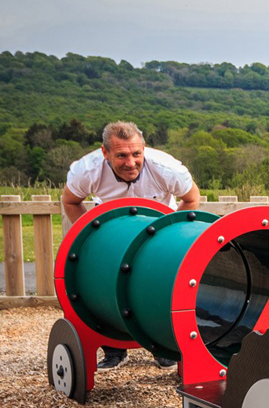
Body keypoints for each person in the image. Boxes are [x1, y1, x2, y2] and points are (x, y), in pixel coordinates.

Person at [62, 120, 201, 369]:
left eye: (136, 153)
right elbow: (70, 200)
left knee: (159, 287)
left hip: (156, 235)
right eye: (122, 155)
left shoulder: (166, 169)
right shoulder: (87, 170)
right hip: (113, 234)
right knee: (105, 284)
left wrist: (172, 232)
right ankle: (114, 348)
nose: (131, 162)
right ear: (104, 153)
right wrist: (90, 235)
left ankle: (162, 348)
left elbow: (192, 198)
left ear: (144, 148)